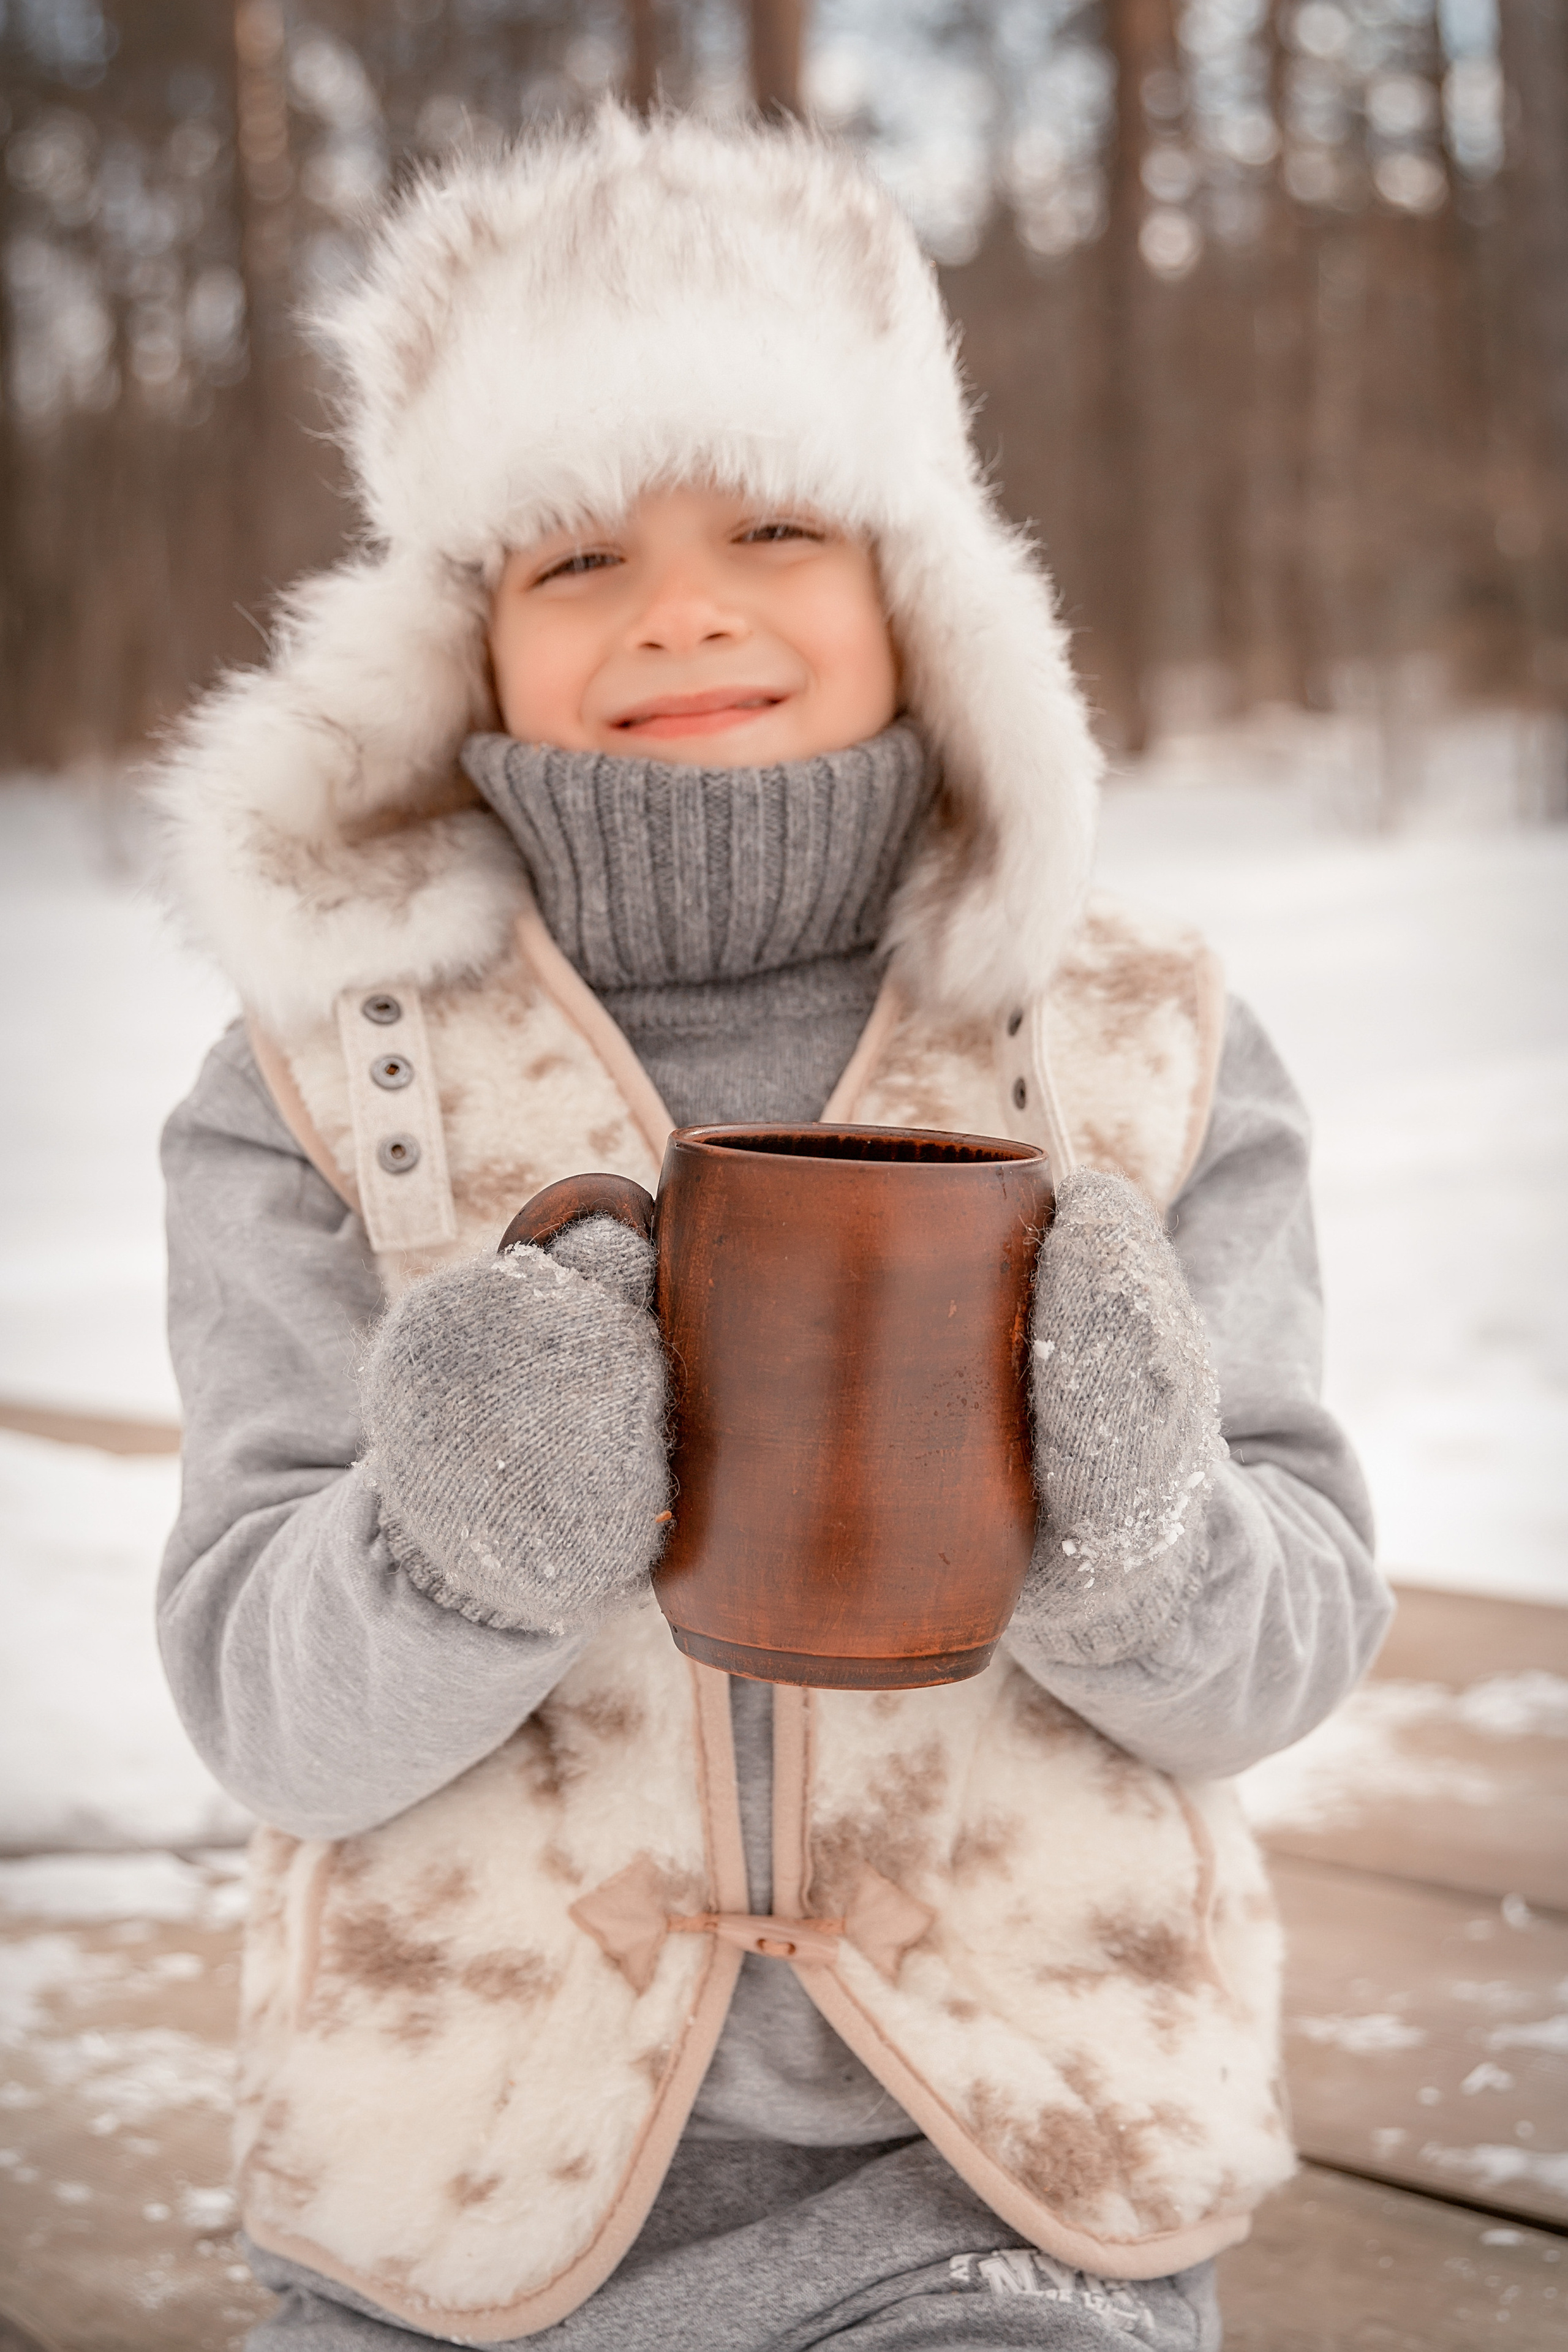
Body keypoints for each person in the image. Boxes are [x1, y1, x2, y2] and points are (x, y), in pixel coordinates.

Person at [154, 105, 1388, 2351]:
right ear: (464, 636)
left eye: (777, 521)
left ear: (921, 582)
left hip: (1011, 2198)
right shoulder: (328, 1087)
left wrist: (1139, 1522)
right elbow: (265, 1711)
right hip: (447, 2224)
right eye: (574, 556)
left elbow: (1281, 1658)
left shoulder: (1144, 1045)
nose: (684, 610)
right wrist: (455, 1547)